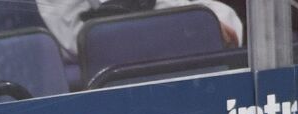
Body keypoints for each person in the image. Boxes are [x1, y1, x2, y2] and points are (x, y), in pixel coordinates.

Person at [36, 0, 243, 60]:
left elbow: (225, 20)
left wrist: (205, 22)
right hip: (110, 69)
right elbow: (81, 38)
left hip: (175, 54)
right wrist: (192, 24)